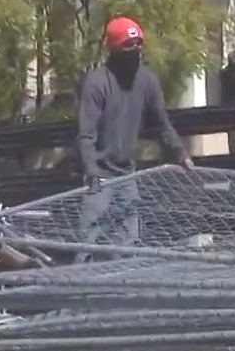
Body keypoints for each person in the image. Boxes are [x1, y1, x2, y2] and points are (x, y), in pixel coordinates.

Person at [74, 16, 193, 261]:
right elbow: (86, 134)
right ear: (115, 49)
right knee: (89, 238)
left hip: (127, 173)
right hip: (100, 175)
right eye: (129, 46)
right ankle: (80, 288)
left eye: (139, 44)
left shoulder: (147, 81)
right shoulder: (97, 82)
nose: (135, 50)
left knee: (129, 238)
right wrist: (91, 170)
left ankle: (123, 290)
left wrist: (180, 153)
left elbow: (162, 125)